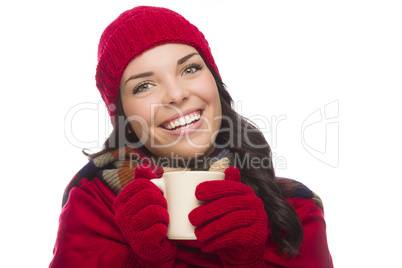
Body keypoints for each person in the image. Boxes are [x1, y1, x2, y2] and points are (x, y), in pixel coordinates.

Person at [50, 5, 333, 268]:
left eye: (190, 68)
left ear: (214, 83)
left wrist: (249, 262)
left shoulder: (295, 207)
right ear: (124, 119)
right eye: (144, 86)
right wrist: (145, 262)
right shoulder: (93, 205)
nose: (176, 94)